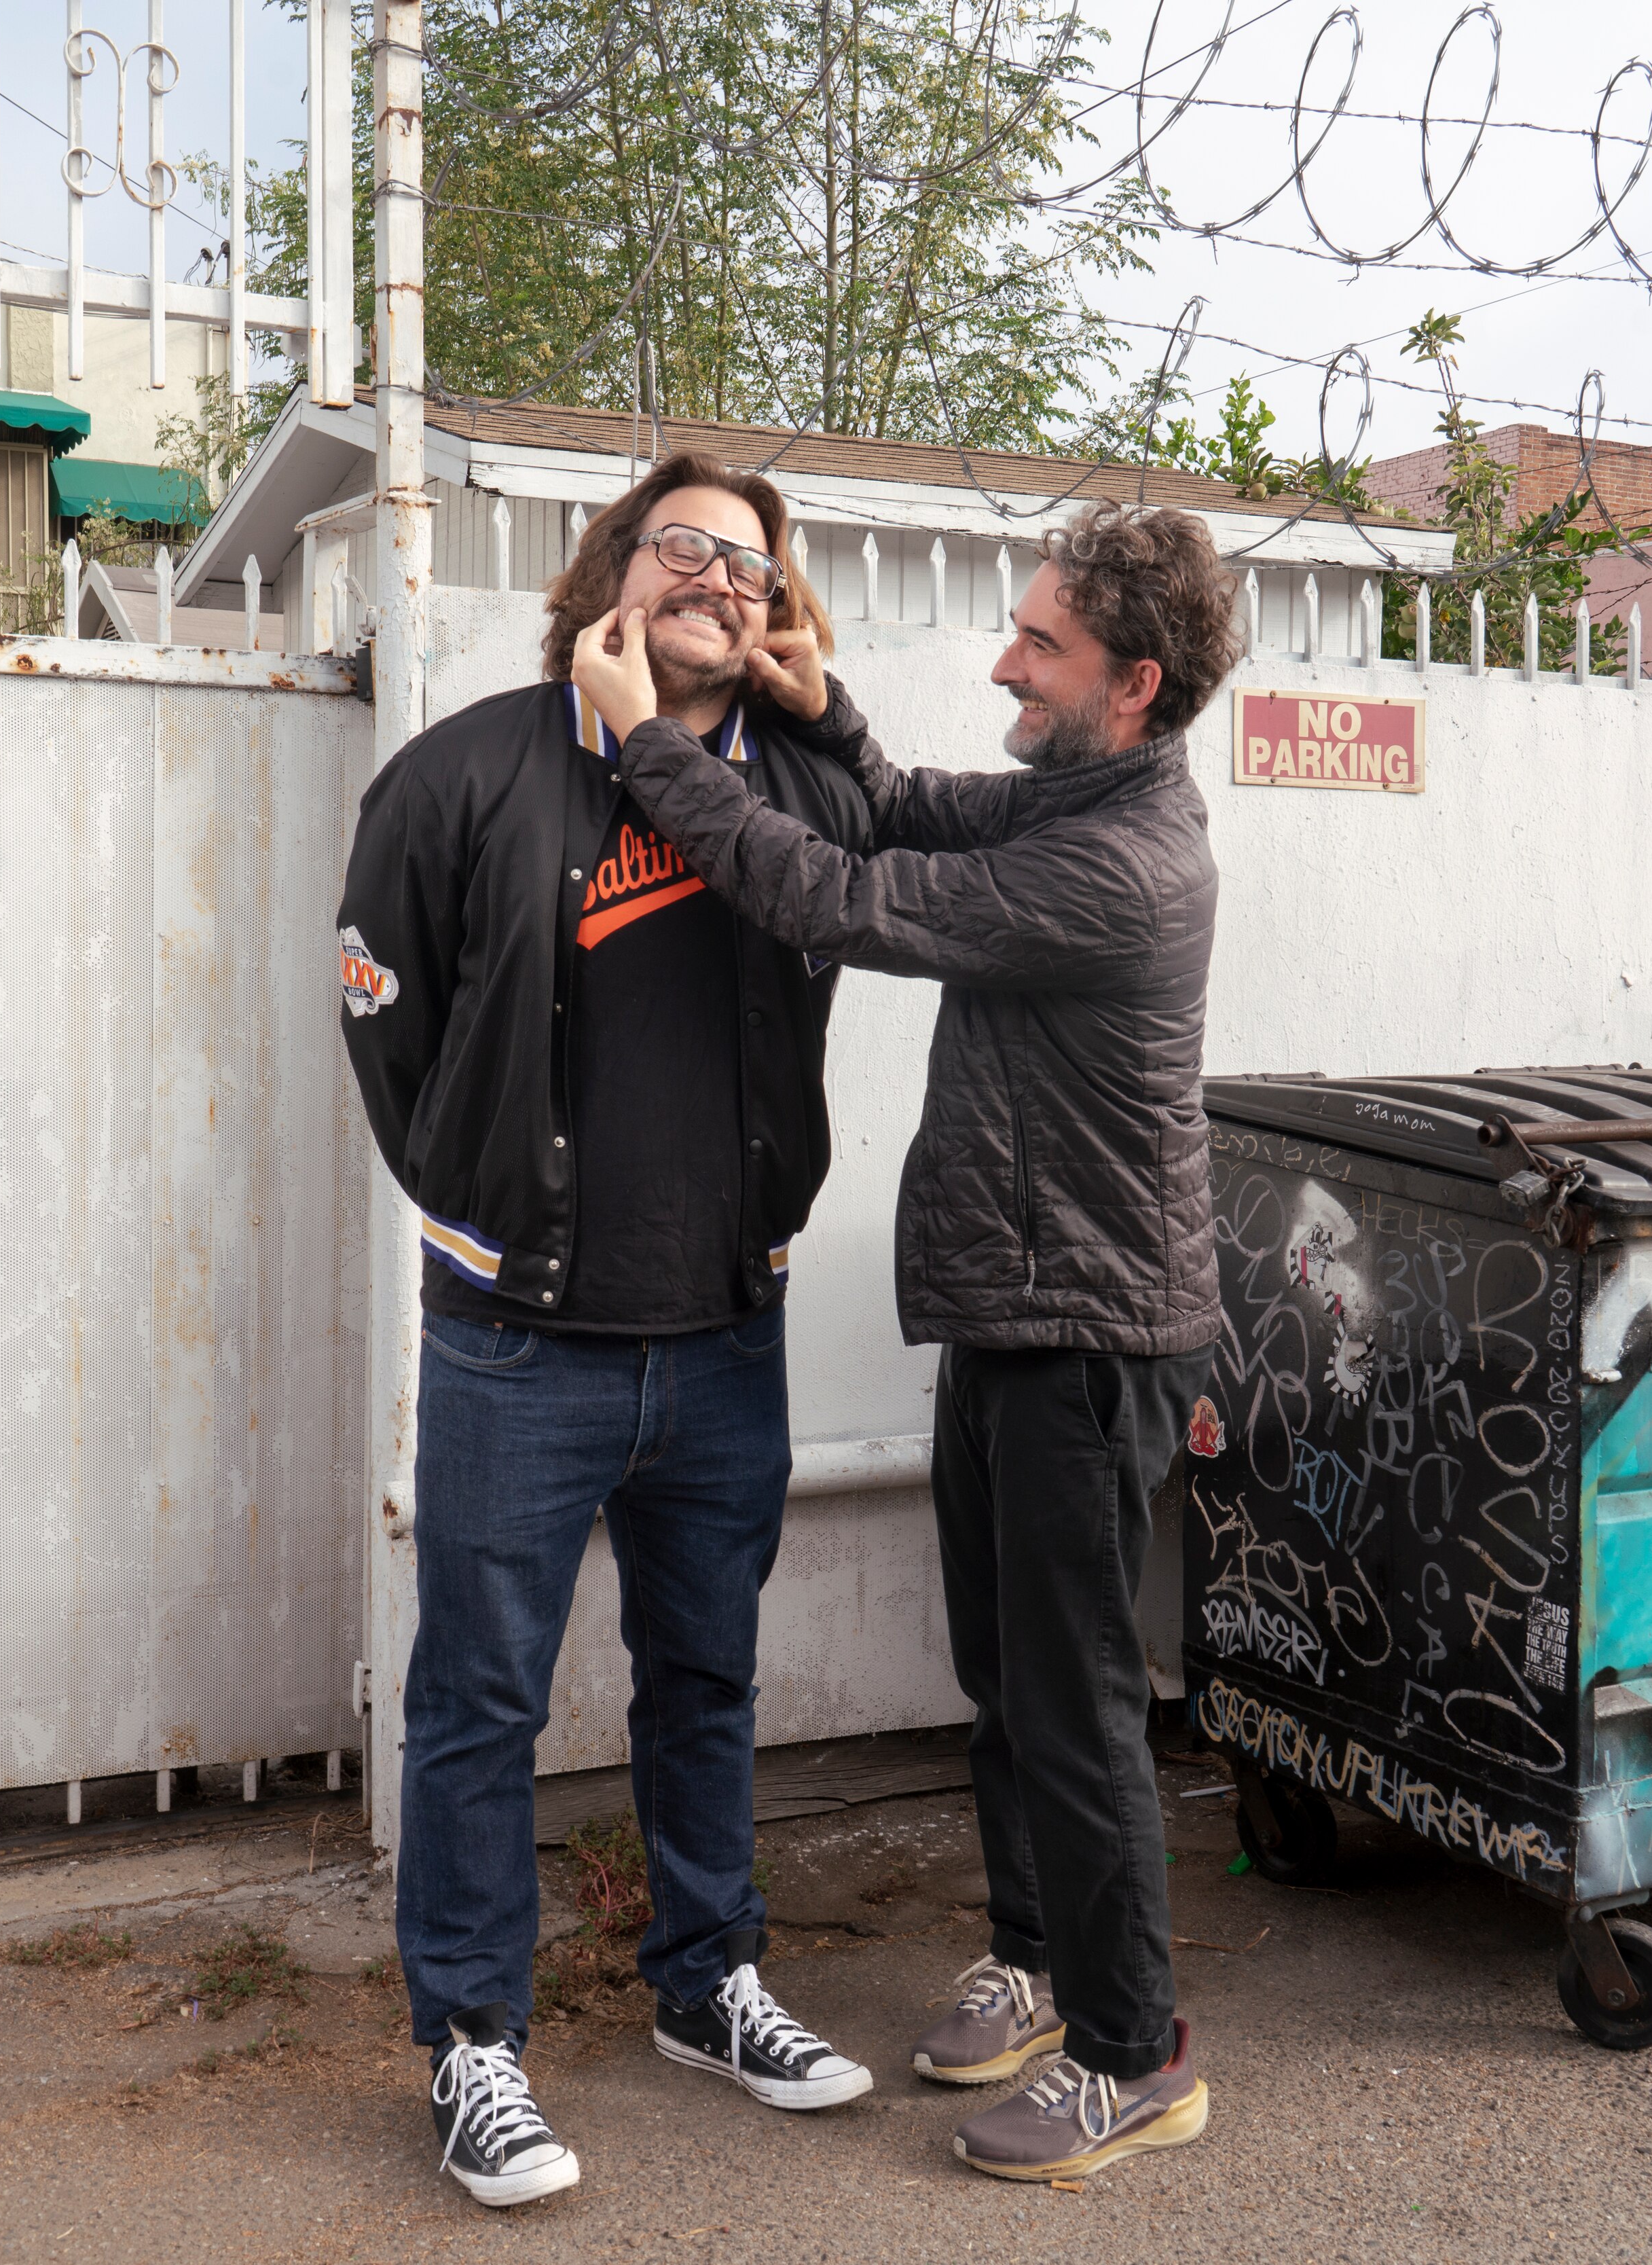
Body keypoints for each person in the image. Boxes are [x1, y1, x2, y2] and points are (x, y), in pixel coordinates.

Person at [571, 499, 1236, 2184]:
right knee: (1006, 1680)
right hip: (1017, 1312)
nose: (1004, 661)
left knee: (1078, 1707)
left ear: (1133, 683)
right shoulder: (1084, 789)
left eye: (1040, 645)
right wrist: (817, 705)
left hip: (1090, 1335)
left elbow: (838, 892)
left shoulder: (1120, 861)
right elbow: (906, 802)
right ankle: (1034, 1956)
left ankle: (1127, 2051)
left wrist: (655, 753)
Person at [334, 453, 879, 2211]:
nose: (714, 577)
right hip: (521, 1345)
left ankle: (704, 1981)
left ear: (775, 606)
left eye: (748, 562)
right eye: (681, 546)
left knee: (705, 1678)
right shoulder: (463, 773)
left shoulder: (793, 787)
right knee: (480, 1695)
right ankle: (471, 2043)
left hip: (728, 1326)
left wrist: (831, 696)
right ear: (612, 573)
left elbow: (895, 859)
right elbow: (382, 1014)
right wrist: (470, 1198)